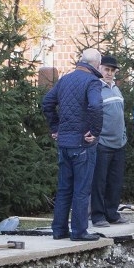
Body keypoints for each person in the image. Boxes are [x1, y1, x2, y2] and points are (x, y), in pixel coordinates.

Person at [41, 48, 104, 241]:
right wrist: (94, 132)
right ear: (96, 64)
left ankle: (59, 230)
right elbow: (95, 106)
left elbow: (47, 103)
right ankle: (79, 231)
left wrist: (55, 127)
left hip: (64, 144)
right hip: (82, 145)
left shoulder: (65, 80)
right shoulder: (92, 81)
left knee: (64, 189)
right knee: (81, 189)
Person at [90, 54, 127, 227]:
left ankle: (112, 213)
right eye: (106, 69)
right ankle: (98, 216)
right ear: (99, 69)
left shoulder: (116, 89)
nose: (109, 73)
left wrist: (124, 136)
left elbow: (120, 115)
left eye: (112, 70)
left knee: (115, 181)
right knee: (99, 182)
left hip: (119, 144)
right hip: (103, 144)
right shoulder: (95, 89)